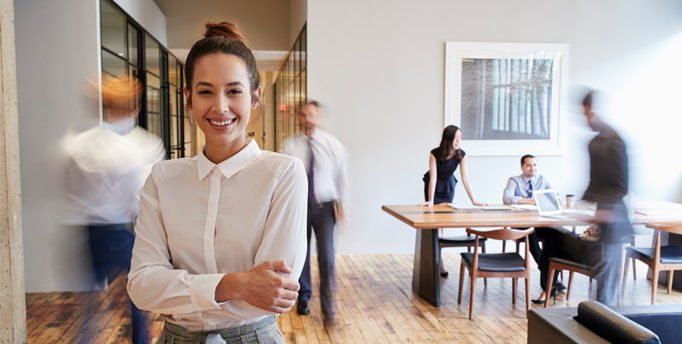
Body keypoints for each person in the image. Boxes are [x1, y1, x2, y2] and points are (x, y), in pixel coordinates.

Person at [127, 22, 308, 344]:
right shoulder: (163, 178)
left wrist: (179, 295)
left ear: (255, 98)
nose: (220, 107)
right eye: (206, 91)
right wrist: (236, 284)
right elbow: (142, 287)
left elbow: (275, 291)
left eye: (234, 91)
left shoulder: (283, 174)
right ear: (189, 98)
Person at [66, 74, 164, 344]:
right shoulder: (133, 150)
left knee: (87, 307)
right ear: (134, 109)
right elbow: (138, 198)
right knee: (137, 295)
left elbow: (71, 190)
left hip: (86, 234)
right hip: (119, 231)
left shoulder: (77, 145)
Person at [536, 91, 633, 306]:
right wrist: (579, 207)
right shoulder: (594, 144)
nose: (587, 120)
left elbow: (621, 187)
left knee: (606, 289)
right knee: (553, 236)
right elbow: (594, 184)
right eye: (585, 115)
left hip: (614, 227)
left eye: (589, 115)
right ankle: (552, 288)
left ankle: (605, 325)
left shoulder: (616, 142)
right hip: (599, 228)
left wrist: (603, 212)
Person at [280, 100, 349, 326]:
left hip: (326, 207)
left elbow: (341, 176)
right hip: (299, 207)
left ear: (318, 118)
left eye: (312, 115)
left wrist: (343, 205)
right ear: (299, 117)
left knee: (327, 258)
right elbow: (282, 179)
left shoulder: (332, 144)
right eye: (304, 114)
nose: (308, 118)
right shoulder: (289, 146)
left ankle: (329, 309)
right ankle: (304, 298)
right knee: (301, 254)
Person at [418, 125, 488, 276]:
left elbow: (465, 178)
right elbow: (434, 177)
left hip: (448, 188)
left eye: (460, 138)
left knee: (442, 223)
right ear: (448, 138)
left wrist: (474, 200)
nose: (458, 141)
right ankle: (438, 260)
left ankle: (438, 259)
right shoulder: (435, 153)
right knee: (435, 225)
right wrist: (430, 200)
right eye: (456, 137)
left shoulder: (461, 154)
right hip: (434, 187)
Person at [502, 155, 565, 270]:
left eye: (535, 165)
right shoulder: (514, 180)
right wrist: (532, 201)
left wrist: (552, 199)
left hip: (539, 222)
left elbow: (558, 196)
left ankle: (551, 271)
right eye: (529, 165)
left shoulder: (542, 180)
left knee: (555, 232)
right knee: (530, 231)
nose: (533, 168)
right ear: (522, 167)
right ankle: (545, 268)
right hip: (520, 223)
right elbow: (507, 198)